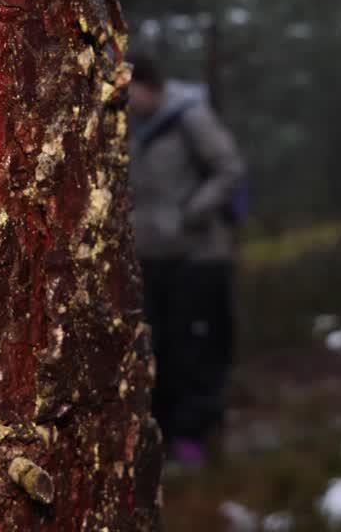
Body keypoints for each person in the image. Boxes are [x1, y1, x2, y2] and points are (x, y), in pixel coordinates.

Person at [128, 55, 245, 467]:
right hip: (150, 257)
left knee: (197, 347)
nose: (127, 98)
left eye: (132, 90)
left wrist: (192, 213)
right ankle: (164, 432)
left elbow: (229, 169)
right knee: (158, 347)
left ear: (151, 85)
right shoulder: (123, 124)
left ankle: (196, 434)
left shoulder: (190, 117)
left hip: (200, 257)